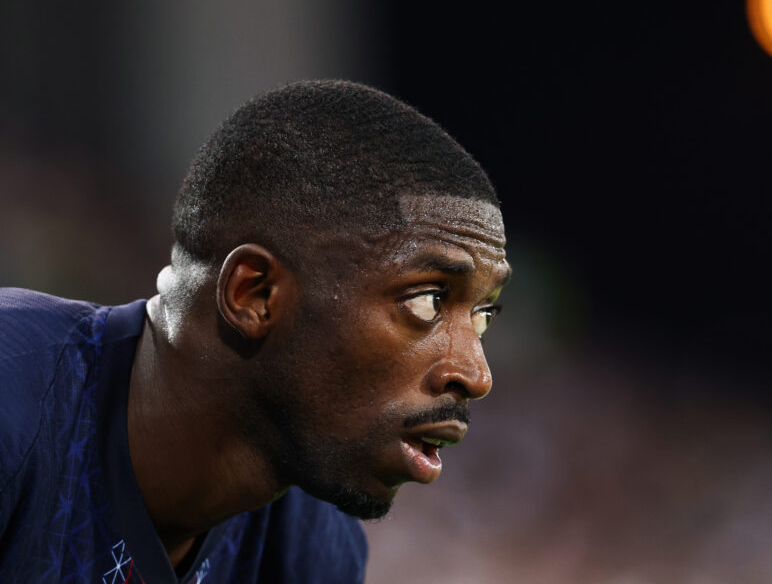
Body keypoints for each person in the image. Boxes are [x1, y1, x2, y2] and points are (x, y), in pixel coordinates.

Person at [0, 80, 511, 583]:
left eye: (483, 315)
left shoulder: (312, 546)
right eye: (427, 300)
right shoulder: (14, 399)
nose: (476, 375)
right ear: (255, 295)